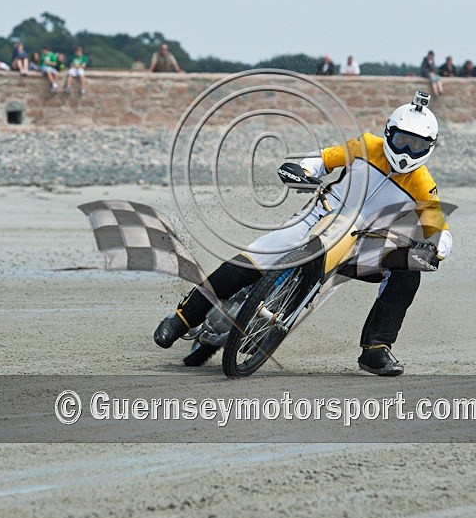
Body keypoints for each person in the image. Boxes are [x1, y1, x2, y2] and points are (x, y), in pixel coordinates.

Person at [154, 92, 453, 376]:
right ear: (388, 134)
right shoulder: (365, 146)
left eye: (416, 146)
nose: (406, 152)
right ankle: (183, 319)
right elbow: (322, 159)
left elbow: (438, 229)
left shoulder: (423, 184)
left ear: (429, 147)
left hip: (363, 242)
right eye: (402, 141)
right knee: (249, 260)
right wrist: (304, 171)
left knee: (407, 273)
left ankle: (376, 349)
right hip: (320, 214)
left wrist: (436, 249)